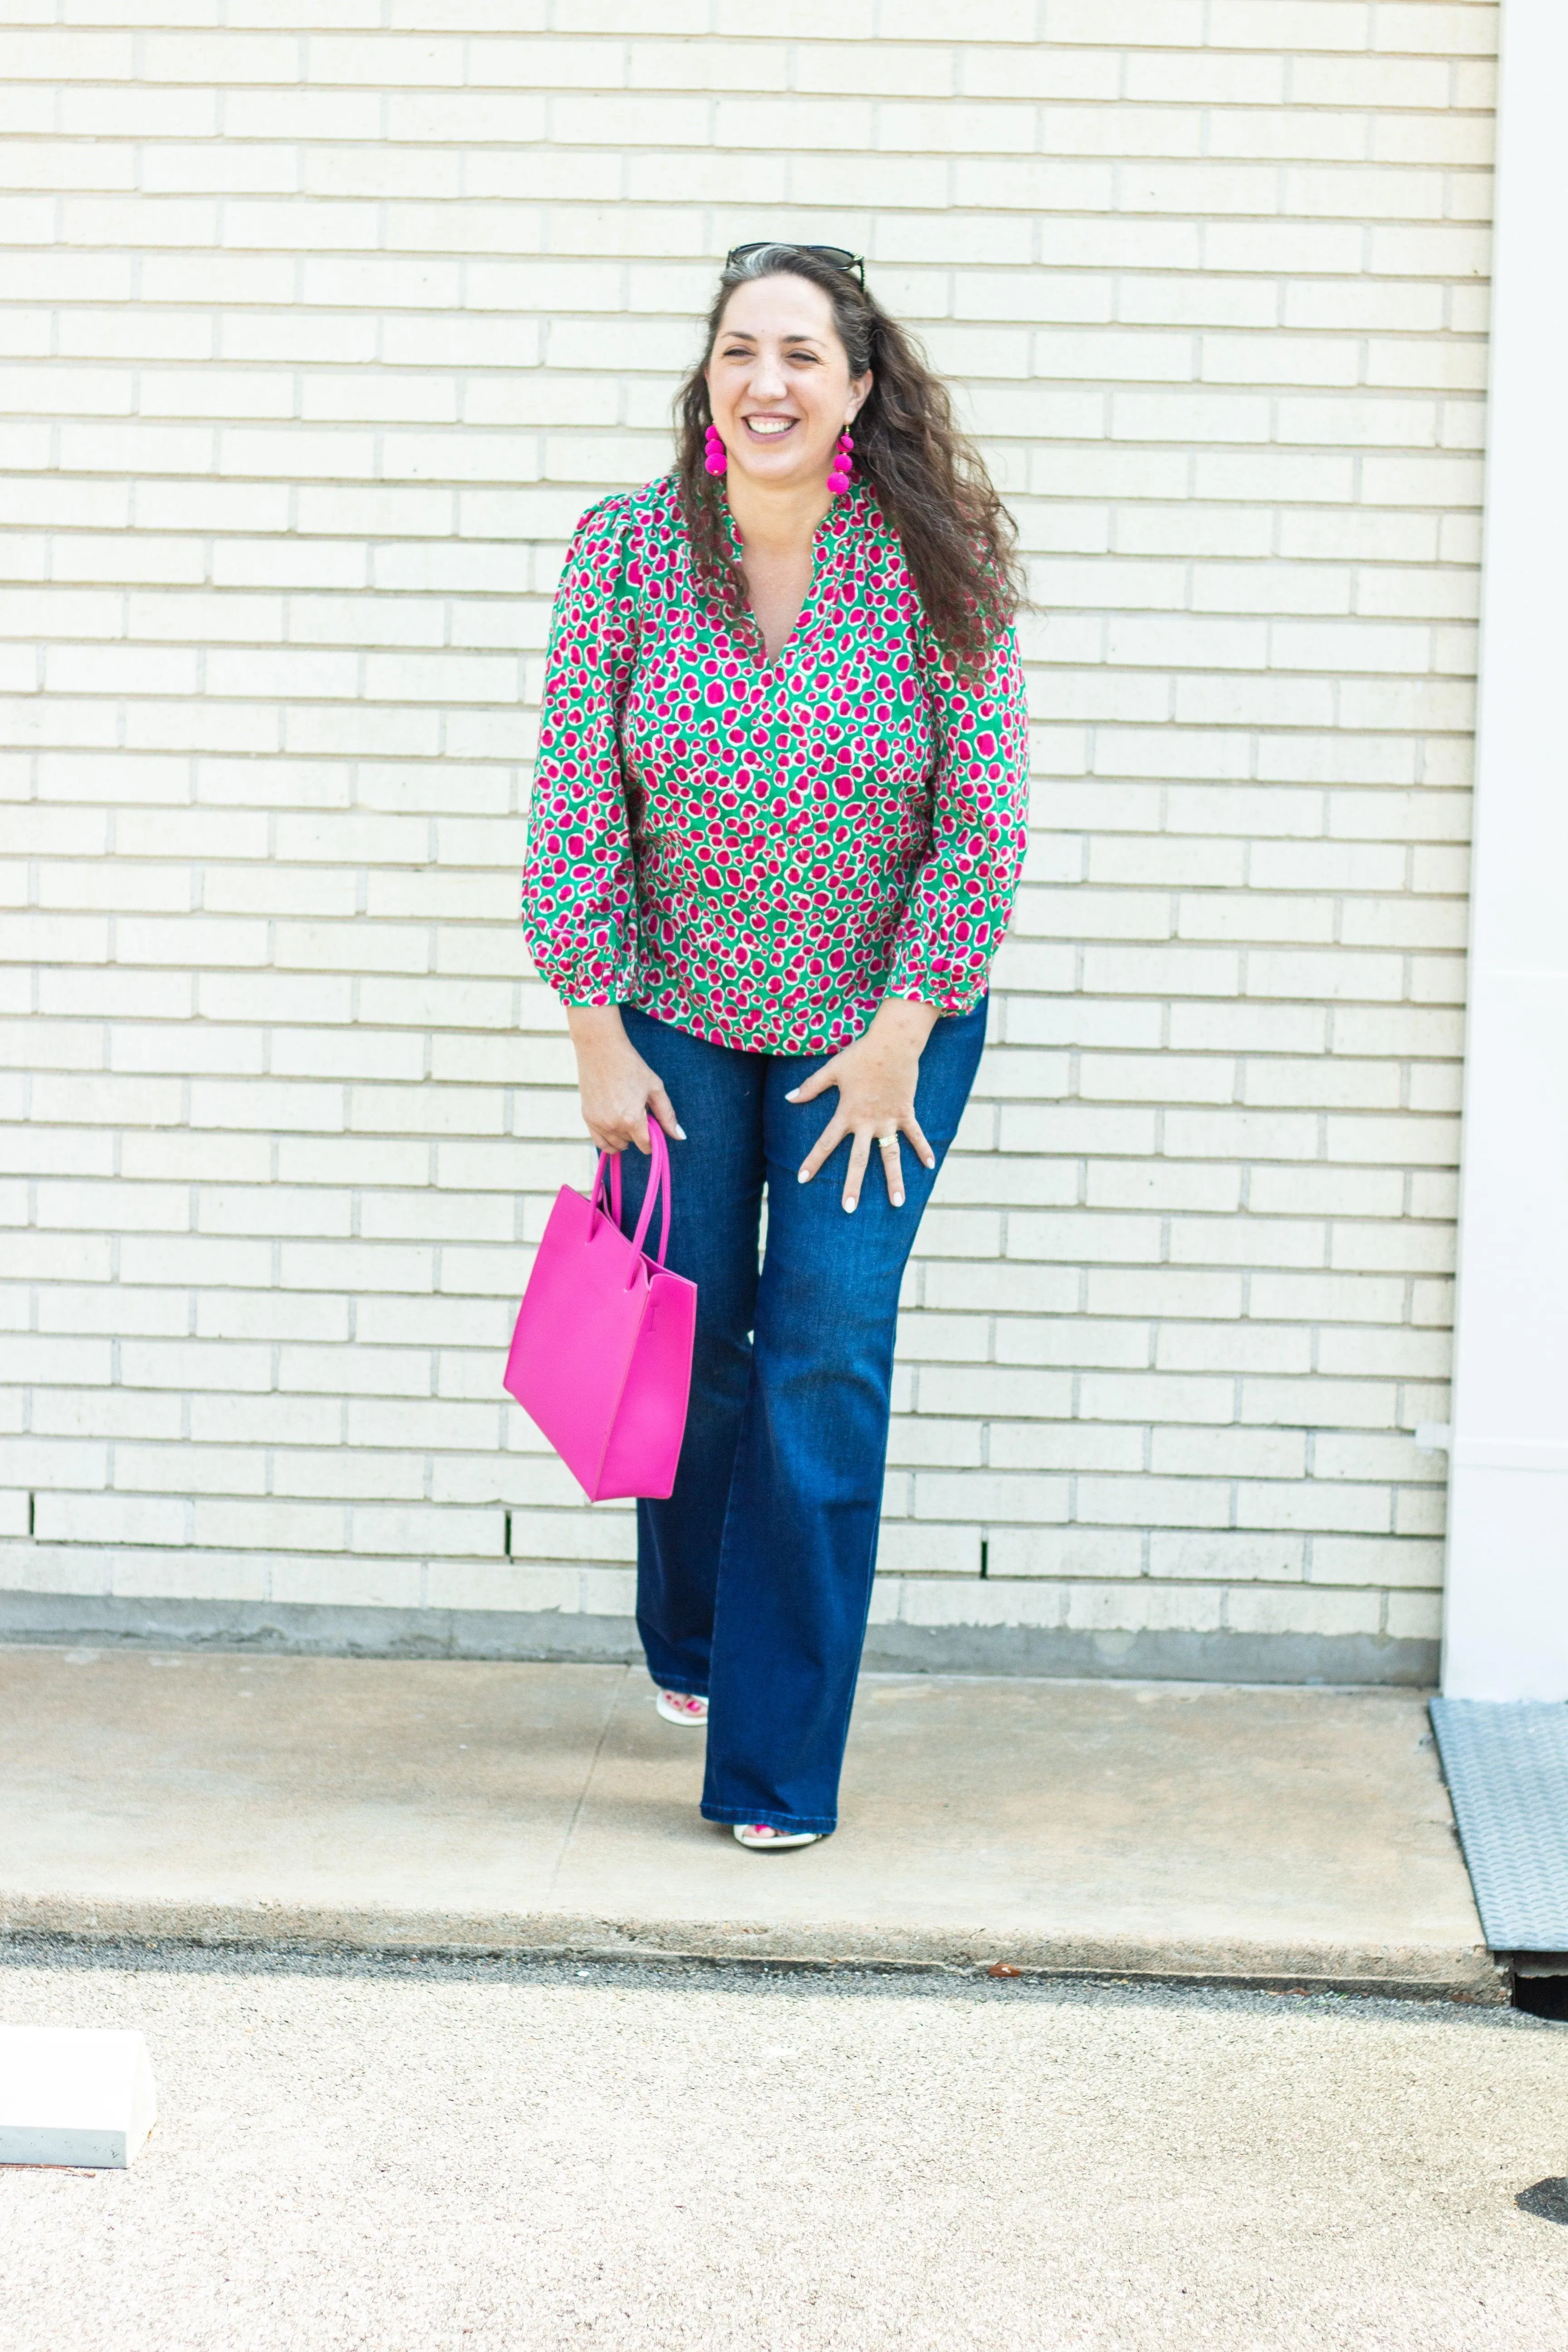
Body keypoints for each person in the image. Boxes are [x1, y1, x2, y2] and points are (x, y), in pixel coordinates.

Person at [520, 241, 1029, 1851]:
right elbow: (573, 805)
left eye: (804, 354)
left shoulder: (943, 569)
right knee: (698, 1346)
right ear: (709, 380)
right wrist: (596, 1032)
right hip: (671, 1015)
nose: (769, 382)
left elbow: (986, 824)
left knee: (821, 1355)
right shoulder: (626, 553)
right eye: (742, 350)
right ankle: (691, 1634)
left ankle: (773, 1768)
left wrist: (900, 1032)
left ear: (860, 387)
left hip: (879, 1038)